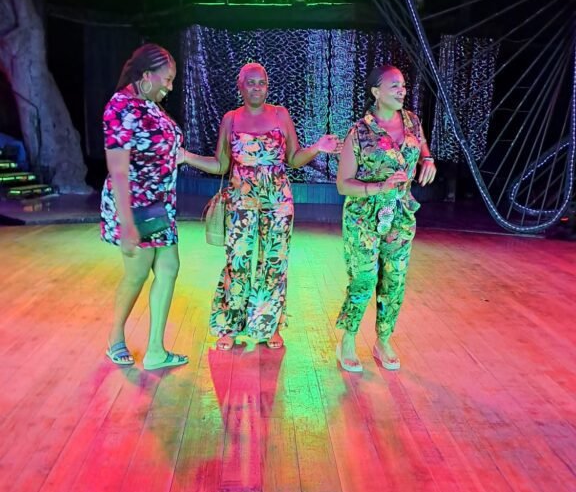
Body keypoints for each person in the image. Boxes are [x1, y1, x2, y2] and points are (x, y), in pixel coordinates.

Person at [179, 62, 340, 350]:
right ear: (240, 86)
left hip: (278, 199)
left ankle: (271, 326)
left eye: (261, 83)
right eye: (250, 82)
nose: (256, 88)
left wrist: (317, 147)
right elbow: (220, 164)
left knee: (274, 262)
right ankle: (230, 325)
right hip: (241, 199)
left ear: (268, 86)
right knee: (237, 261)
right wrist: (186, 156)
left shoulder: (280, 115)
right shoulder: (230, 118)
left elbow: (293, 158)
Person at [335, 63, 436, 373]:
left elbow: (421, 148)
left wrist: (428, 160)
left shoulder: (413, 123)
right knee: (364, 278)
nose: (401, 90)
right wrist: (379, 186)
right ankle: (348, 339)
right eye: (394, 86)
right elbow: (343, 184)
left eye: (403, 85)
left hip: (401, 215)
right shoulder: (360, 131)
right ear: (376, 92)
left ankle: (383, 339)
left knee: (394, 279)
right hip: (364, 216)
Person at [101, 43, 189, 371]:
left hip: (159, 204)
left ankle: (155, 351)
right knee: (137, 273)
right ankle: (115, 337)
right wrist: (126, 224)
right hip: (134, 205)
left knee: (169, 267)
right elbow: (119, 169)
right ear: (146, 75)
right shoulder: (121, 106)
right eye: (166, 79)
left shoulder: (151, 105)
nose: (170, 86)